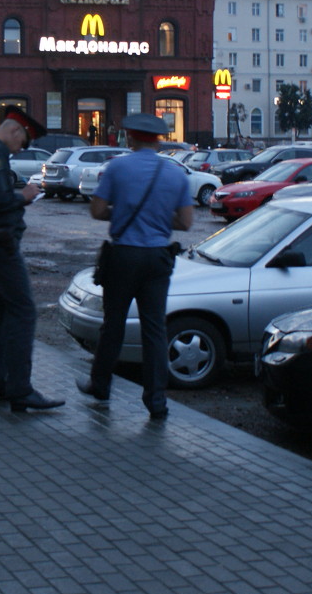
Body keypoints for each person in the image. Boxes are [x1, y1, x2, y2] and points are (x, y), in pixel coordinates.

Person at [76, 113, 193, 419]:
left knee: (113, 324)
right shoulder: (176, 174)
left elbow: (97, 211)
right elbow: (186, 222)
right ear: (157, 140)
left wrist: (126, 213)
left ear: (131, 137)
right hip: (158, 259)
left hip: (124, 255)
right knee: (155, 330)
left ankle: (100, 385)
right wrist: (156, 217)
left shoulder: (118, 167)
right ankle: (156, 402)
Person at [0, 107, 64, 413]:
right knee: (23, 311)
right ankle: (20, 389)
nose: (22, 147)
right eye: (23, 141)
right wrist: (25, 195)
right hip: (0, 243)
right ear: (15, 131)